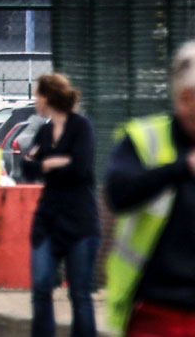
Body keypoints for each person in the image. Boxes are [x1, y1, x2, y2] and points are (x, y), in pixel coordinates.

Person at [104, 42, 195, 336]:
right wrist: (181, 168)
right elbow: (118, 194)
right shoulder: (145, 140)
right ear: (185, 99)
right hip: (157, 311)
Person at [18, 74, 98, 337]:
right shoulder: (44, 130)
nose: (34, 101)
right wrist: (50, 163)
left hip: (80, 219)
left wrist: (45, 163)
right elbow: (26, 169)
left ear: (48, 97)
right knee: (41, 287)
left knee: (79, 293)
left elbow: (80, 167)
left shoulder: (81, 127)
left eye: (36, 95)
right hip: (48, 219)